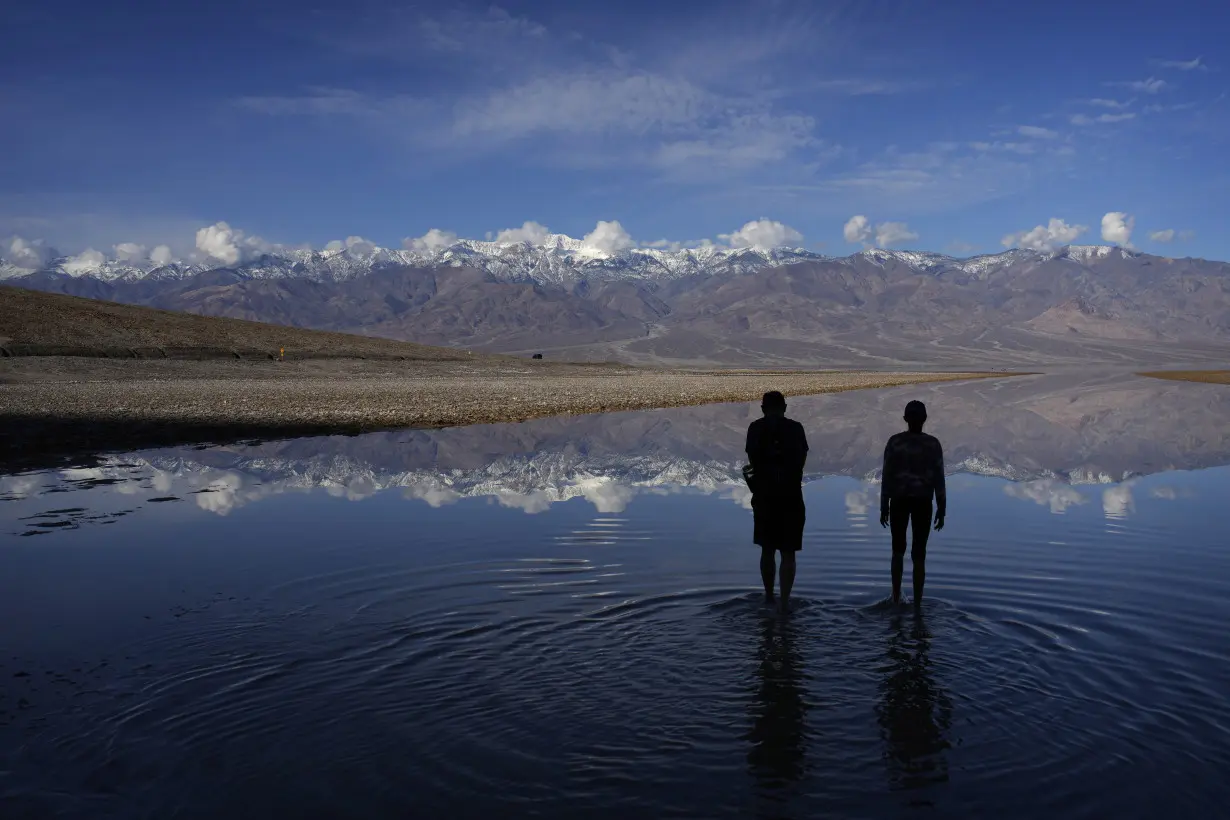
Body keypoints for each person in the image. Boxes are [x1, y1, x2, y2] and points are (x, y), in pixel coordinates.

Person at [879, 400, 946, 611]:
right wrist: (942, 508)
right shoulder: (933, 445)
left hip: (898, 501)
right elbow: (939, 479)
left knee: (897, 551)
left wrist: (884, 505)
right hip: (923, 503)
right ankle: (917, 604)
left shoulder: (895, 442)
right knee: (919, 554)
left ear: (905, 419)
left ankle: (896, 597)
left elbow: (886, 476)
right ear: (924, 419)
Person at [745, 391, 808, 609]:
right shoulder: (796, 428)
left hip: (764, 497)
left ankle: (769, 597)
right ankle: (784, 602)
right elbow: (801, 461)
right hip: (791, 497)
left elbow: (752, 460)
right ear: (785, 407)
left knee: (767, 549)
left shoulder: (755, 428)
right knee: (788, 552)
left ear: (763, 409)